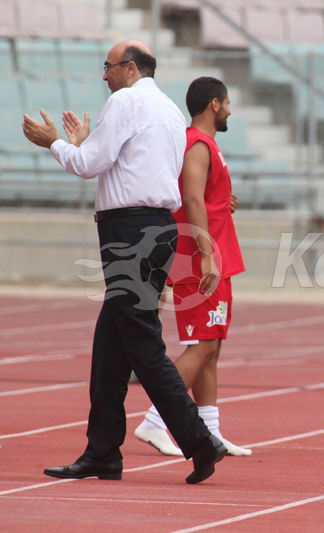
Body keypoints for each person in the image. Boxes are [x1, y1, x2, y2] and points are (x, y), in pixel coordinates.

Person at [22, 40, 225, 484]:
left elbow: (89, 165)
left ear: (130, 69)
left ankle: (200, 441)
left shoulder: (125, 101)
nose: (104, 75)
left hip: (129, 232)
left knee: (142, 343)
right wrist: (83, 145)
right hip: (154, 228)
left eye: (108, 66)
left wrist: (54, 143)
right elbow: (122, 163)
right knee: (109, 350)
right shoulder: (168, 110)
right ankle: (103, 453)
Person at [133, 76, 251, 458]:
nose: (230, 110)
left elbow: (206, 199)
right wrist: (205, 253)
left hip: (217, 256)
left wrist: (224, 202)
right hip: (202, 260)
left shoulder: (207, 145)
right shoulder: (197, 144)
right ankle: (155, 421)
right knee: (200, 346)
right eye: (227, 103)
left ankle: (210, 429)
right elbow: (192, 199)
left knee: (211, 346)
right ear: (214, 104)